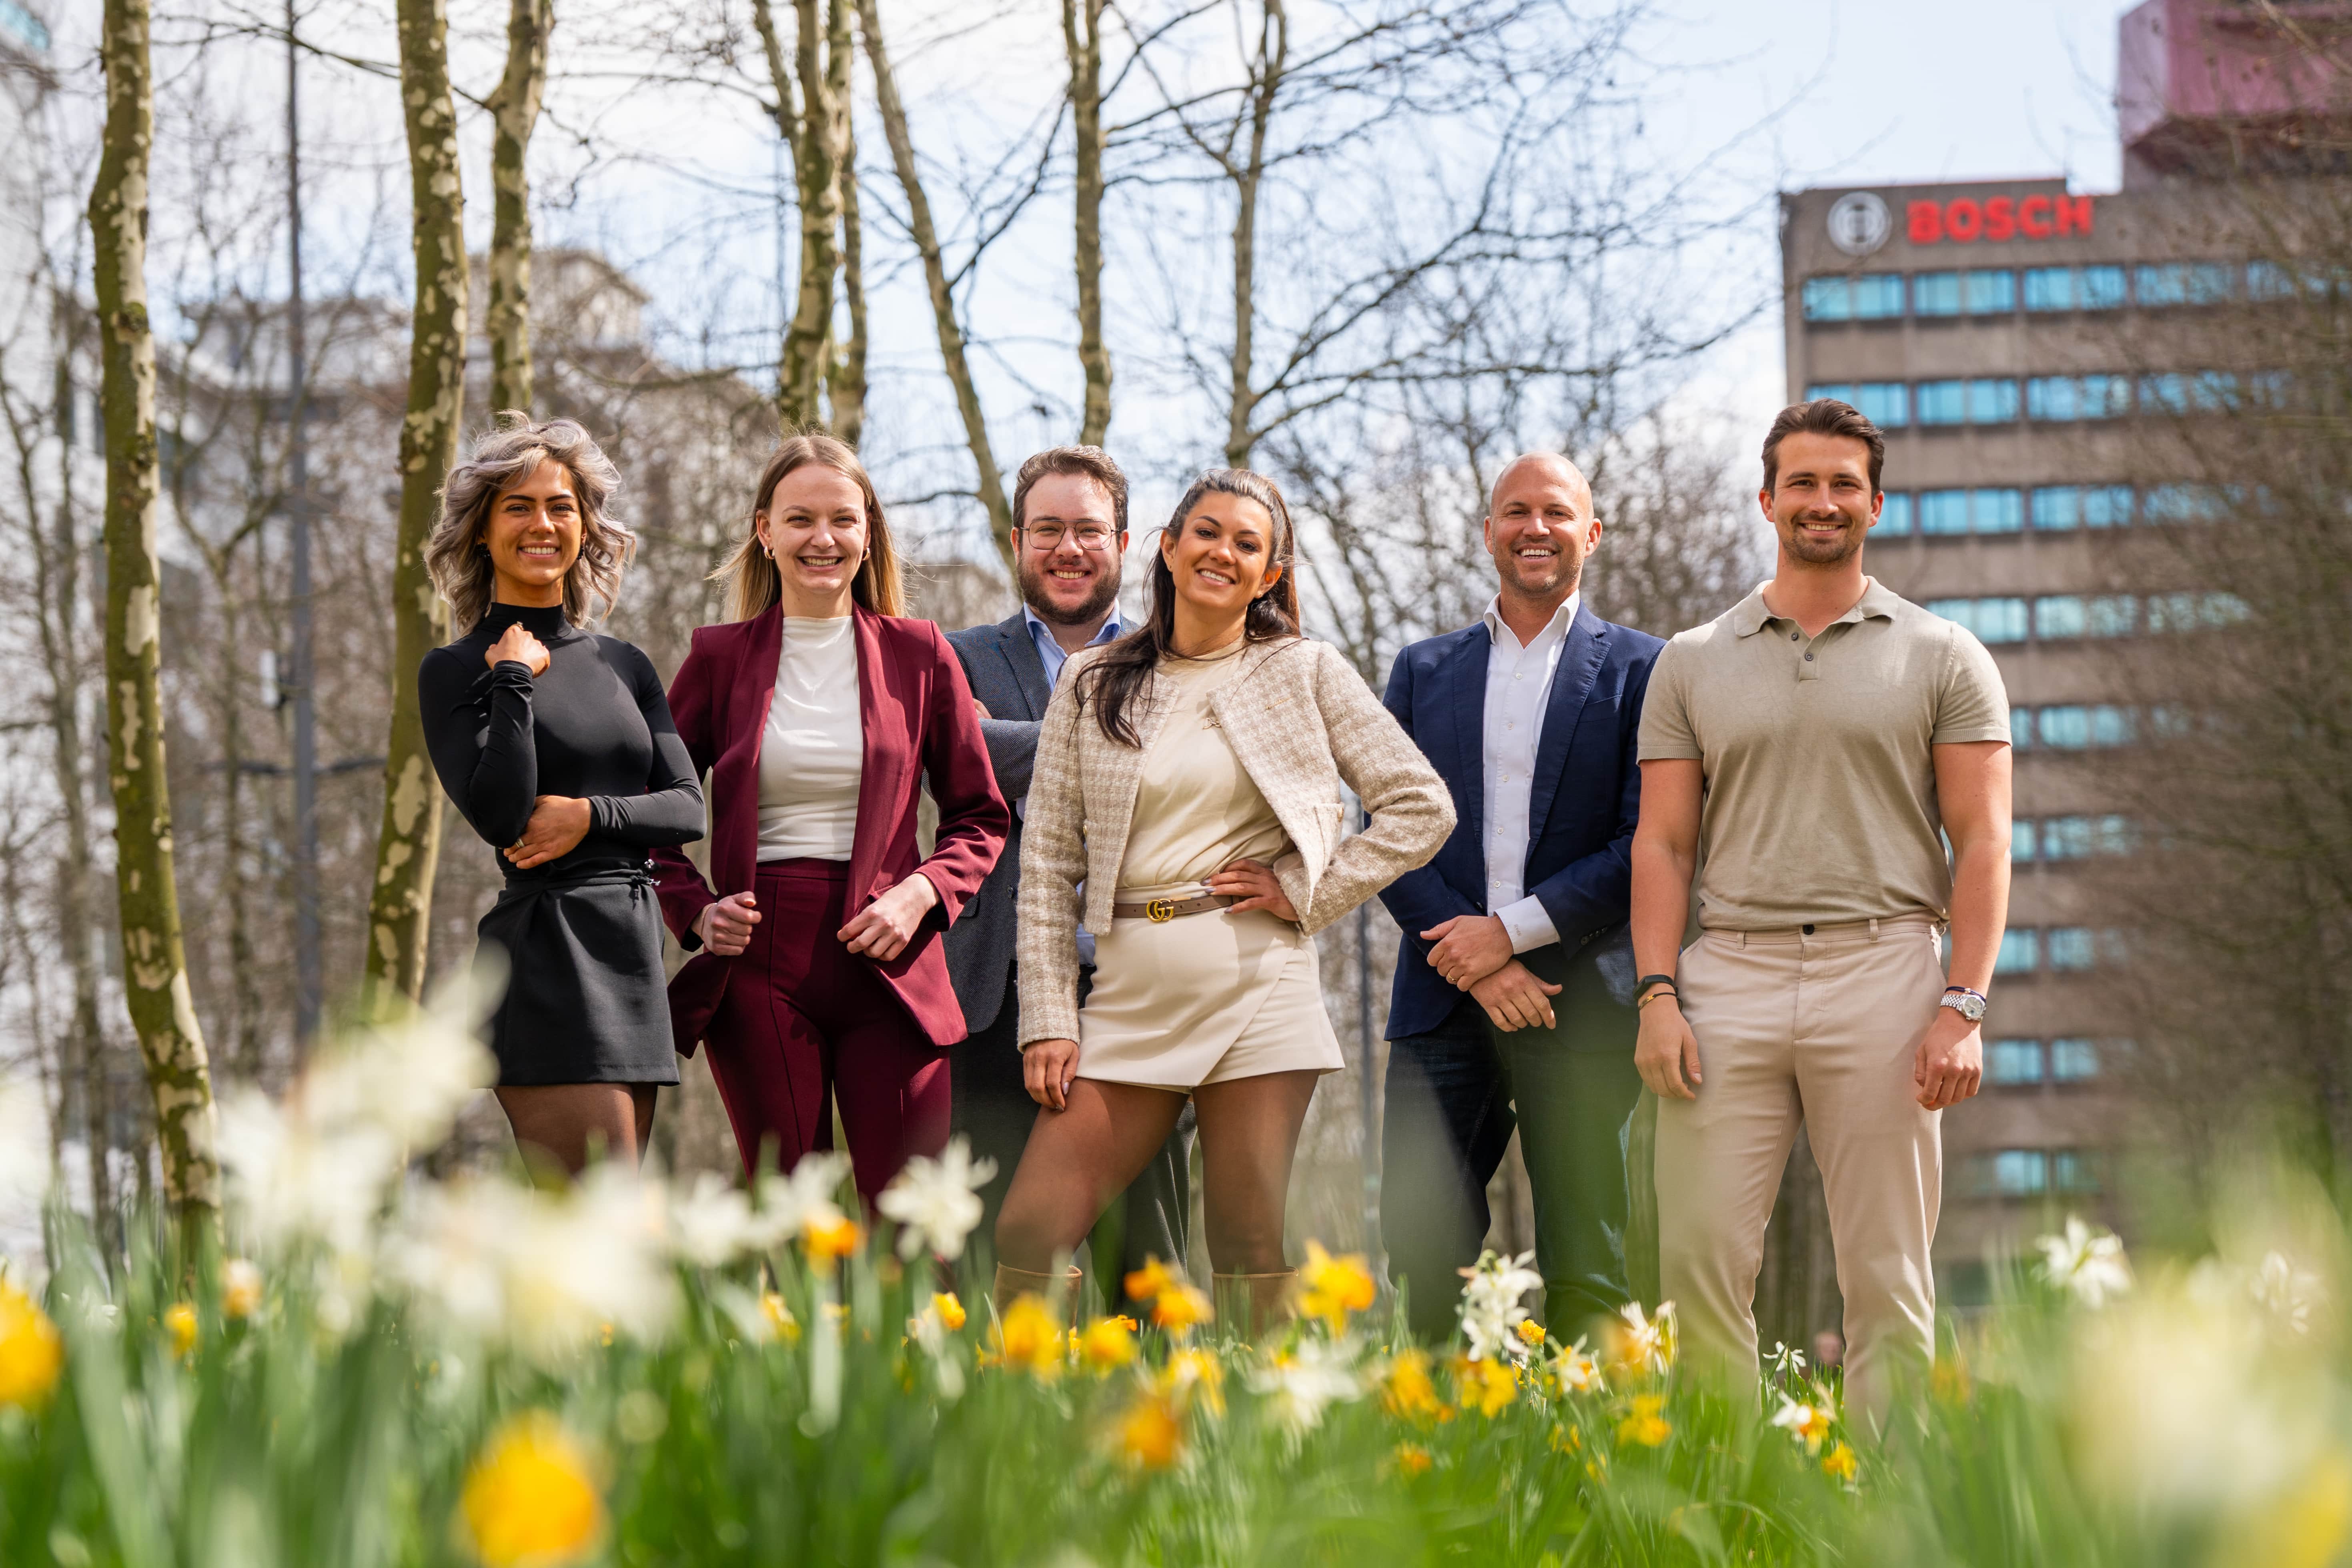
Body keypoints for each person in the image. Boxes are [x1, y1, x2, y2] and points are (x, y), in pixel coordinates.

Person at [995, 467, 1454, 1330]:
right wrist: (1050, 1018)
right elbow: (1050, 862)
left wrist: (1304, 891)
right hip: (1129, 992)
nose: (1223, 553)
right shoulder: (1092, 683)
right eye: (1206, 532)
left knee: (1244, 1238)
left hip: (1257, 983)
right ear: (1167, 547)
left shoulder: (1304, 671)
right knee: (1030, 1226)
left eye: (1249, 544)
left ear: (1271, 572)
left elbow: (1420, 806)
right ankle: (1032, 1438)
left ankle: (1263, 1450)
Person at [1630, 398, 2011, 1422]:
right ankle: (1723, 1497)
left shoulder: (1943, 655)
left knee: (1887, 1276)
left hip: (1885, 970)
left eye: (1843, 483)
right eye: (1801, 481)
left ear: (1875, 505)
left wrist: (1961, 1005)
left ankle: (1888, 1506)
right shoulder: (1692, 658)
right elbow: (1662, 844)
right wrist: (1656, 993)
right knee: (1697, 1265)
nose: (1822, 500)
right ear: (1766, 499)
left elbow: (1981, 842)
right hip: (1728, 977)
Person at [650, 435, 1009, 1201]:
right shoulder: (718, 659)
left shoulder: (922, 656)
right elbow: (652, 816)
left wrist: (921, 894)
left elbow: (979, 815)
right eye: (800, 519)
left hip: (894, 957)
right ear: (765, 532)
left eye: (843, 519)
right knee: (791, 1221)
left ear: (868, 531)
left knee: (913, 1226)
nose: (823, 539)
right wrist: (694, 913)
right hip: (761, 960)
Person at [1376, 452, 1663, 1341]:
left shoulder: (1644, 671)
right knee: (1424, 1259)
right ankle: (1448, 1459)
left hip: (1577, 1002)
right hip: (1439, 997)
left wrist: (1509, 935)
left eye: (1554, 512)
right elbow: (1386, 831)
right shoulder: (1423, 671)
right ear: (1487, 532)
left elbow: (1644, 841)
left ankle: (1588, 1465)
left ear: (1592, 531)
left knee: (1589, 1263)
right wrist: (1474, 963)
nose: (1532, 528)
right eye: (1513, 512)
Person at [418, 415, 703, 1173]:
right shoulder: (455, 669)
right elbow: (501, 815)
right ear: (481, 530)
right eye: (518, 506)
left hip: (633, 951)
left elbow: (686, 809)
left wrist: (589, 815)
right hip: (547, 951)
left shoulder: (624, 663)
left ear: (585, 525)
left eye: (561, 506)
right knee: (607, 1218)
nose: (542, 524)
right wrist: (511, 679)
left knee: (609, 1236)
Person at [941, 446, 1191, 1291]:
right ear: (1016, 540)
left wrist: (1000, 743)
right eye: (1046, 528)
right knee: (986, 1257)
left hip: (1145, 979)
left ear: (1125, 543)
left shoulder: (1182, 658)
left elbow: (1184, 785)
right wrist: (1117, 758)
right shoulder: (955, 658)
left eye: (1088, 529)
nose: (1067, 547)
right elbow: (945, 771)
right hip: (993, 985)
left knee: (1146, 1260)